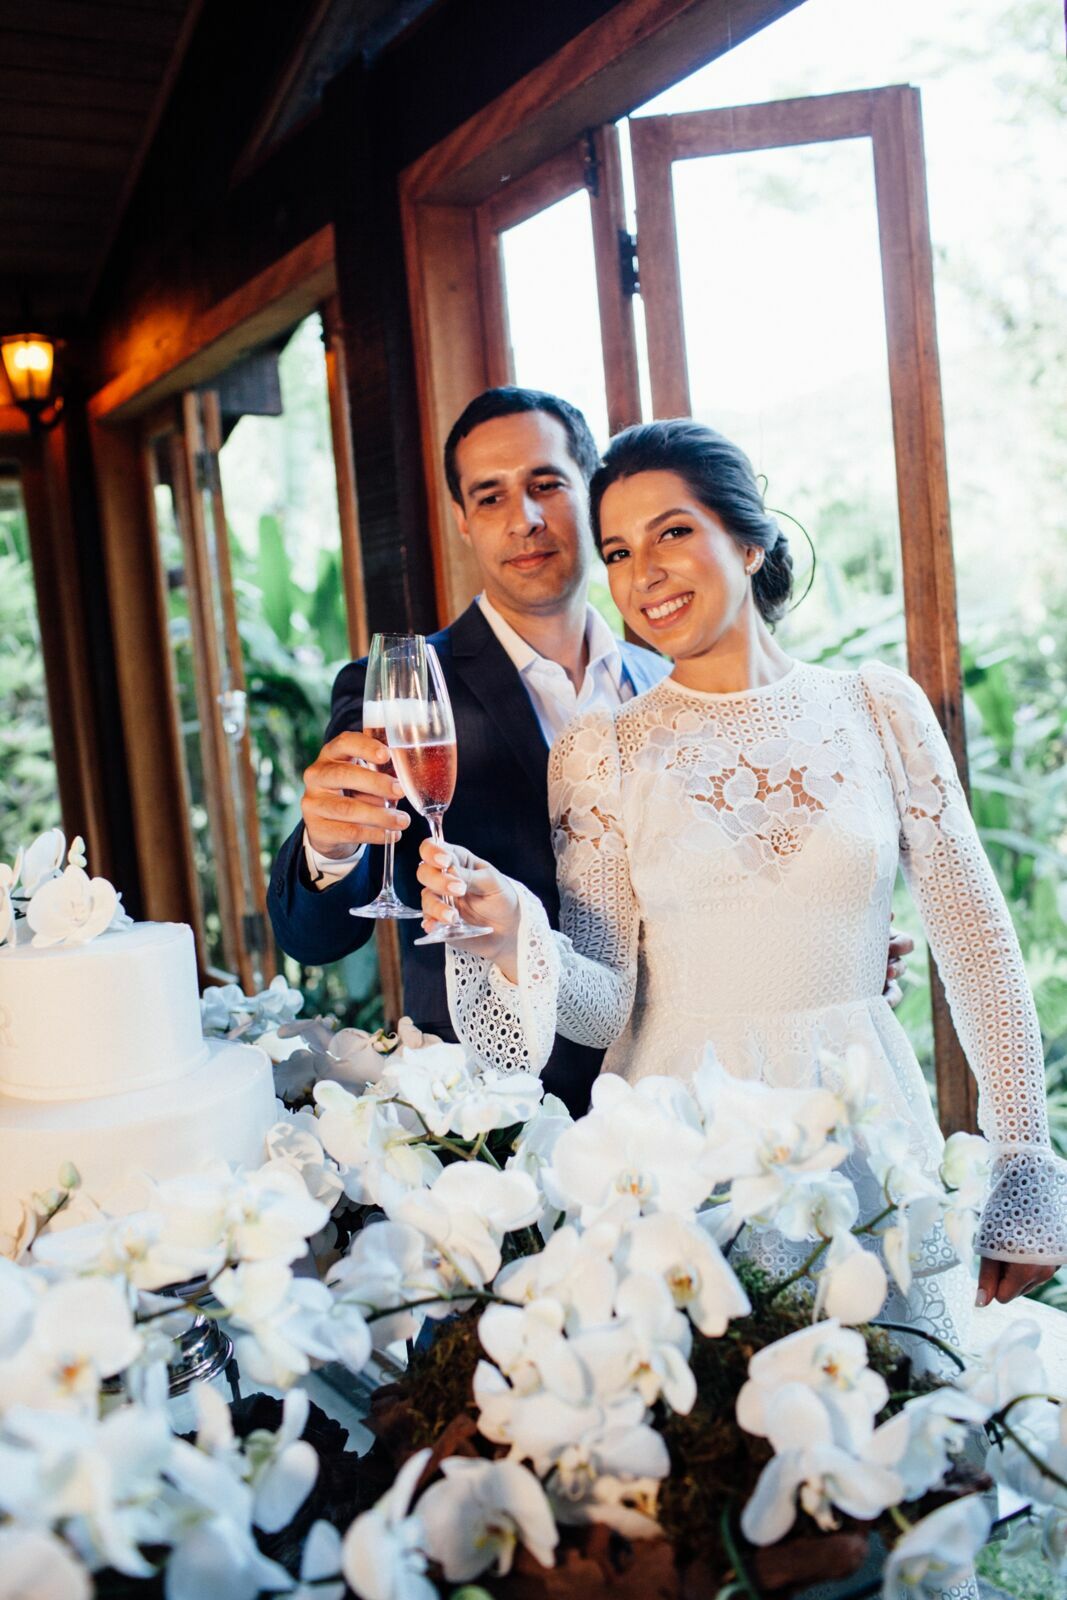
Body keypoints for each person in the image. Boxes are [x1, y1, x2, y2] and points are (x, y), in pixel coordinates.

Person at [415, 419, 1066, 1318]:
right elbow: (604, 1003)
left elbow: (979, 950)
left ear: (750, 540)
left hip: (864, 1131)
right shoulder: (599, 752)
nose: (641, 574)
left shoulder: (878, 710)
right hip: (683, 1149)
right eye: (616, 549)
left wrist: (1023, 1160)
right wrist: (512, 930)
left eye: (672, 532)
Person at [267, 391, 910, 1116]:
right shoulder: (406, 693)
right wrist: (329, 846)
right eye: (490, 496)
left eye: (546, 484)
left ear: (590, 493)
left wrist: (813, 942)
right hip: (494, 1118)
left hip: (677, 1106)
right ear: (463, 523)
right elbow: (311, 937)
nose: (524, 519)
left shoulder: (668, 681)